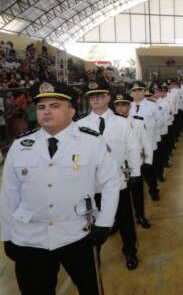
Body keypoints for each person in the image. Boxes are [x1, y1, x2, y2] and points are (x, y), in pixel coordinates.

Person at [0, 80, 121, 294]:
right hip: (30, 238)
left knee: (90, 288)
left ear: (72, 111)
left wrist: (105, 221)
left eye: (55, 106)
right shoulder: (20, 146)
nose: (46, 111)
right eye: (41, 107)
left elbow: (112, 181)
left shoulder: (91, 142)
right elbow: (9, 193)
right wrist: (7, 235)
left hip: (77, 234)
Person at [77, 82, 141, 270]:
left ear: (108, 98)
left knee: (125, 220)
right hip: (92, 183)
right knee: (91, 221)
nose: (95, 99)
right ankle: (93, 253)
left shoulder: (122, 122)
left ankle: (130, 251)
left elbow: (133, 147)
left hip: (117, 180)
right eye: (92, 96)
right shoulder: (80, 125)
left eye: (99, 95)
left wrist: (136, 172)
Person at [113, 92, 154, 229]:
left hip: (135, 165)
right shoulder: (109, 125)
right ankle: (117, 221)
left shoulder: (137, 122)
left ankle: (140, 215)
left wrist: (148, 161)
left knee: (137, 194)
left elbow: (146, 142)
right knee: (117, 196)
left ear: (130, 106)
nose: (120, 108)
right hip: (117, 167)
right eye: (117, 105)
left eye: (123, 105)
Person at [129, 82, 161, 201]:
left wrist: (149, 135)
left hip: (148, 145)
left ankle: (153, 190)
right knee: (135, 172)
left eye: (140, 90)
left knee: (150, 171)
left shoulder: (152, 106)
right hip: (133, 146)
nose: (137, 93)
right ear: (131, 93)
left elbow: (159, 121)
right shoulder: (128, 107)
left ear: (144, 91)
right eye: (134, 91)